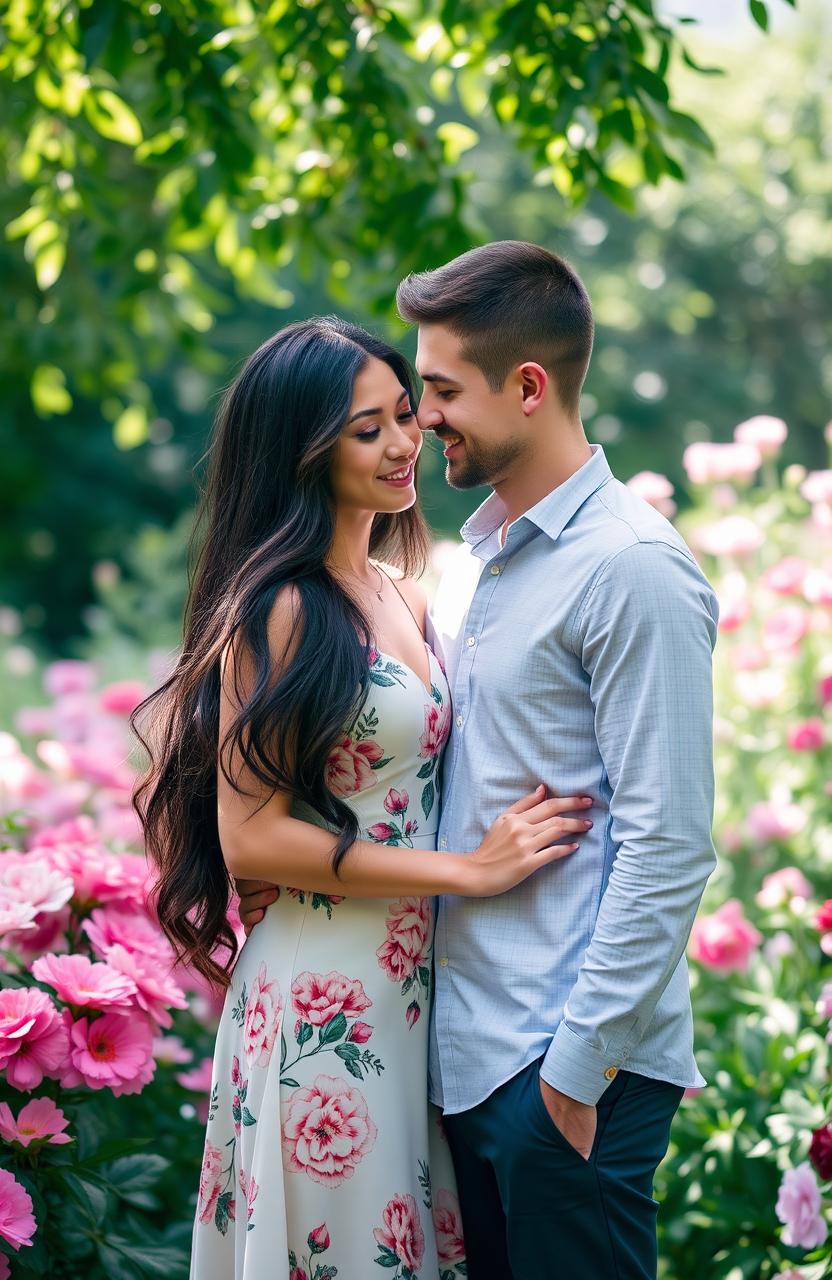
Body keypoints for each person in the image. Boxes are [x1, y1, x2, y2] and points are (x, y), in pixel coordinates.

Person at [240, 242, 719, 1280]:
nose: (423, 421)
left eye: (439, 392)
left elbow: (670, 843)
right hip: (465, 1061)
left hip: (559, 1066)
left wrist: (575, 1074)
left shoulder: (629, 569)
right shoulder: (486, 558)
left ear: (529, 386)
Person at [133, 315, 593, 1280]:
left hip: (412, 995)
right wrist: (467, 871)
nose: (401, 443)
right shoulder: (281, 608)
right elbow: (251, 837)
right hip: (320, 997)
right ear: (300, 450)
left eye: (403, 416)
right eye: (365, 429)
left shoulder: (404, 594)